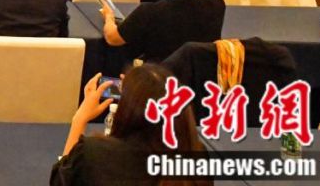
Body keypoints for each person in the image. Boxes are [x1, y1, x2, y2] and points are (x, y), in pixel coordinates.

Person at [52, 64, 209, 186]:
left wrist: (79, 120)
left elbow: (60, 180)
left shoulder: (93, 154)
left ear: (128, 109)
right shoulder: (196, 154)